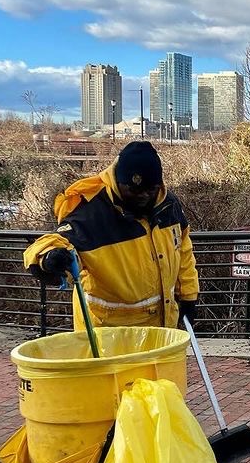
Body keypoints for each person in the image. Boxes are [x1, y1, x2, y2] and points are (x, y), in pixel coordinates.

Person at [23, 140, 199, 331]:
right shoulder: (92, 212)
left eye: (150, 189)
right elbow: (57, 242)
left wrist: (189, 295)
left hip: (161, 332)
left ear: (159, 185)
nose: (143, 196)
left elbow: (183, 252)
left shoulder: (168, 205)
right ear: (118, 181)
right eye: (133, 190)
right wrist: (49, 257)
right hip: (107, 337)